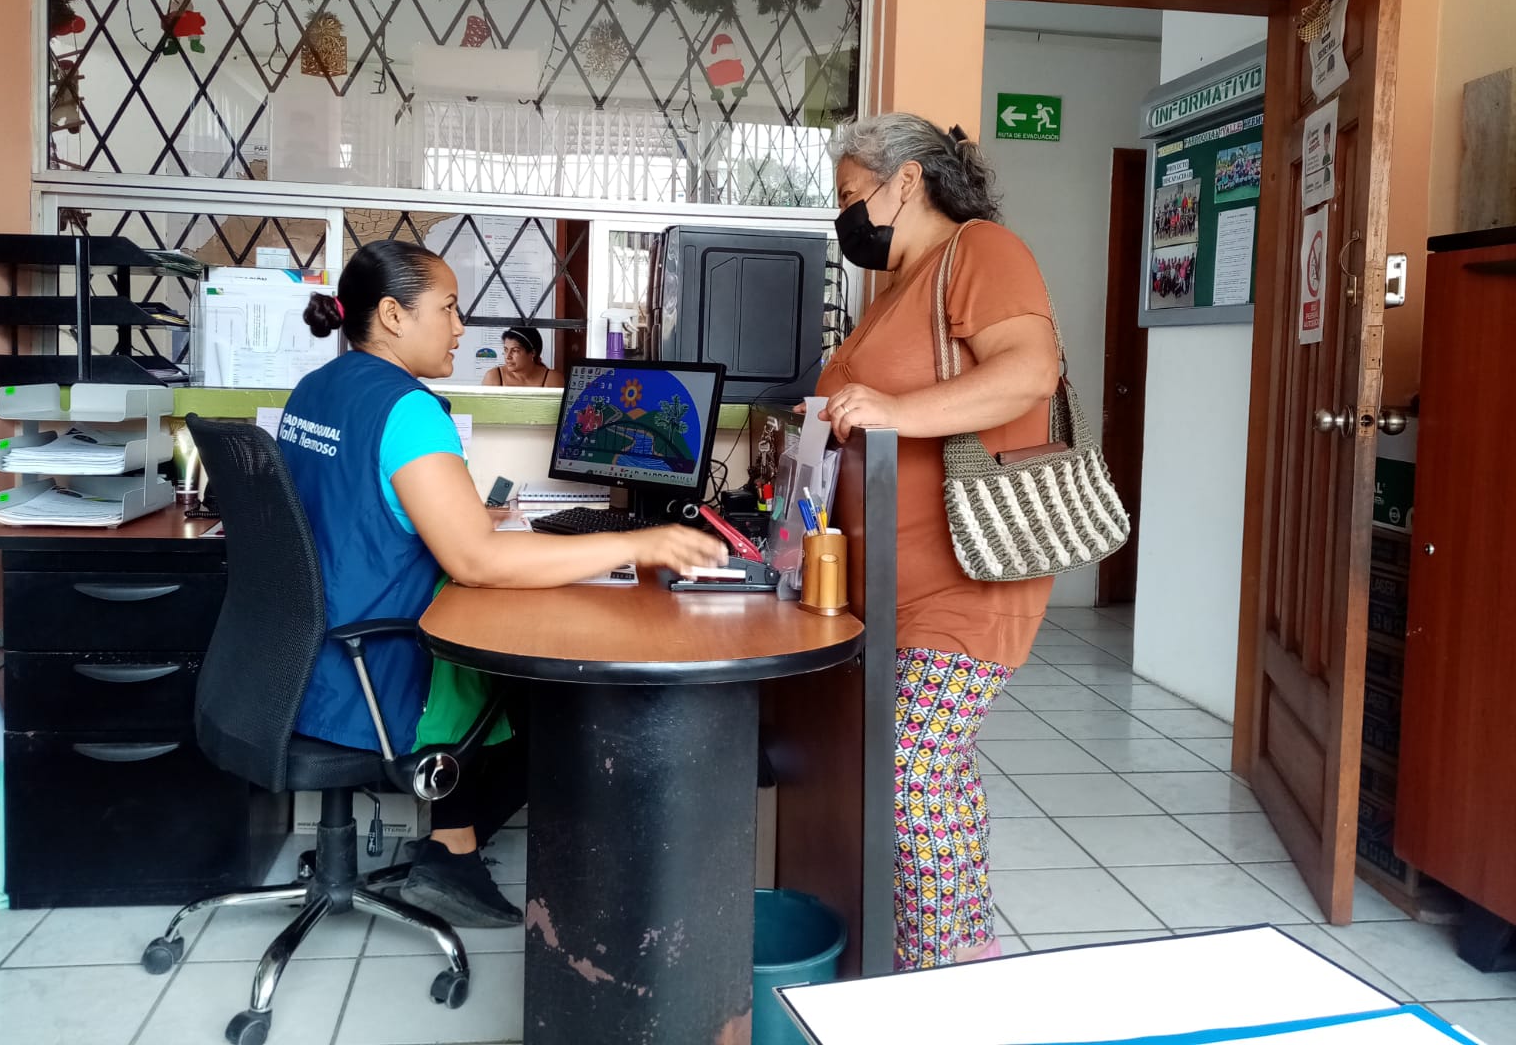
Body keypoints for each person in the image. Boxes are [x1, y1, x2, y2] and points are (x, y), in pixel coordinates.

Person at [284, 240, 727, 928]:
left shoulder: (318, 387)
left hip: (307, 656)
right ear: (394, 316)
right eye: (449, 308)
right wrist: (639, 542)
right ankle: (452, 852)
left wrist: (462, 514)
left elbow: (356, 505)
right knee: (557, 697)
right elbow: (478, 562)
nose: (461, 328)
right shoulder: (408, 410)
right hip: (376, 668)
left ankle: (450, 843)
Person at [817, 113, 1060, 971]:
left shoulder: (981, 251)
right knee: (930, 775)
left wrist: (894, 410)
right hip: (888, 580)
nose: (844, 216)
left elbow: (1030, 370)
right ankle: (941, 961)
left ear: (907, 181)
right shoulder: (894, 288)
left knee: (912, 771)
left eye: (851, 195)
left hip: (970, 570)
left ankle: (944, 979)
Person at [482, 325, 563, 388]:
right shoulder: (494, 376)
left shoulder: (552, 378)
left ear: (533, 353)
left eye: (515, 350)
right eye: (506, 350)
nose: (508, 356)